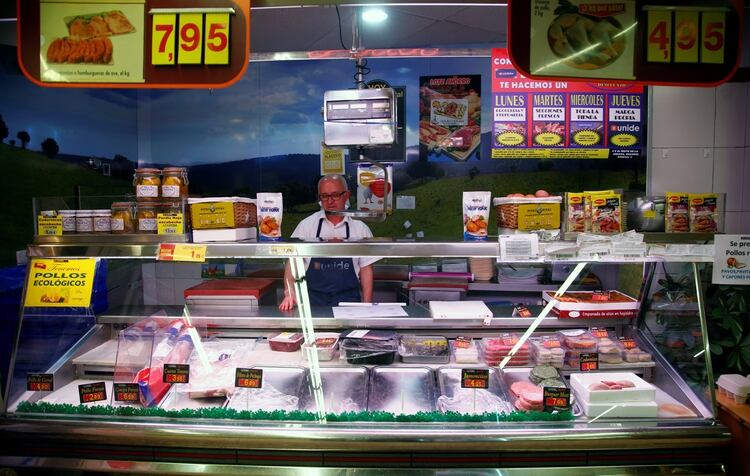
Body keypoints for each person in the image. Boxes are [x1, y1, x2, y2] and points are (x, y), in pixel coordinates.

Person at [279, 174, 377, 310]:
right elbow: (293, 263)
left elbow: (366, 270)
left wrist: (367, 306)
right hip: (312, 303)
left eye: (335, 195)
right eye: (324, 196)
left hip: (349, 302)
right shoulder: (306, 225)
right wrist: (289, 292)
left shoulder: (360, 228)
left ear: (347, 195)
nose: (330, 201)